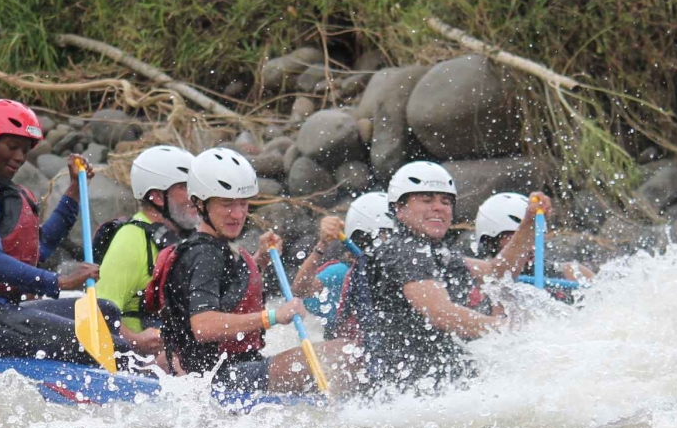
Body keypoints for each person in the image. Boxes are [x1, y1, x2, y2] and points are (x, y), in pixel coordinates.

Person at [0, 99, 152, 364]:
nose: (19, 157)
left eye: (25, 149)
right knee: (111, 346)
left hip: (0, 310)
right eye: (12, 147)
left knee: (106, 311)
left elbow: (40, 248)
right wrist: (59, 282)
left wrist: (74, 191)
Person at [152, 148, 345, 395]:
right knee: (341, 353)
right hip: (217, 380)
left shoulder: (215, 249)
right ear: (200, 204)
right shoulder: (203, 255)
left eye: (243, 203)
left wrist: (259, 260)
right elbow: (203, 326)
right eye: (227, 204)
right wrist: (273, 316)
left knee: (338, 355)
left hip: (236, 368)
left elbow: (229, 295)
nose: (238, 214)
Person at [360, 161, 546, 385]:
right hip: (405, 387)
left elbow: (498, 273)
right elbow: (442, 313)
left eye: (445, 201)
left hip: (439, 382)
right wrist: (510, 330)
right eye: (426, 200)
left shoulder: (437, 253)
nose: (439, 207)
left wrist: (529, 222)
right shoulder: (402, 251)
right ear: (399, 209)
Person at [93, 144, 197, 337]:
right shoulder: (130, 239)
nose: (196, 196)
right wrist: (136, 341)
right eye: (185, 187)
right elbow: (96, 313)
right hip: (136, 357)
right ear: (157, 196)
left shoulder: (189, 237)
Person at [291, 191, 392, 333]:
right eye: (386, 236)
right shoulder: (341, 272)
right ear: (365, 237)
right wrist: (322, 245)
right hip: (347, 346)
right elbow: (301, 290)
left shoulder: (400, 271)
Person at [472, 191, 594, 285]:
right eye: (517, 237)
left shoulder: (571, 274)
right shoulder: (476, 281)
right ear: (490, 242)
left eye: (532, 236)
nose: (530, 246)